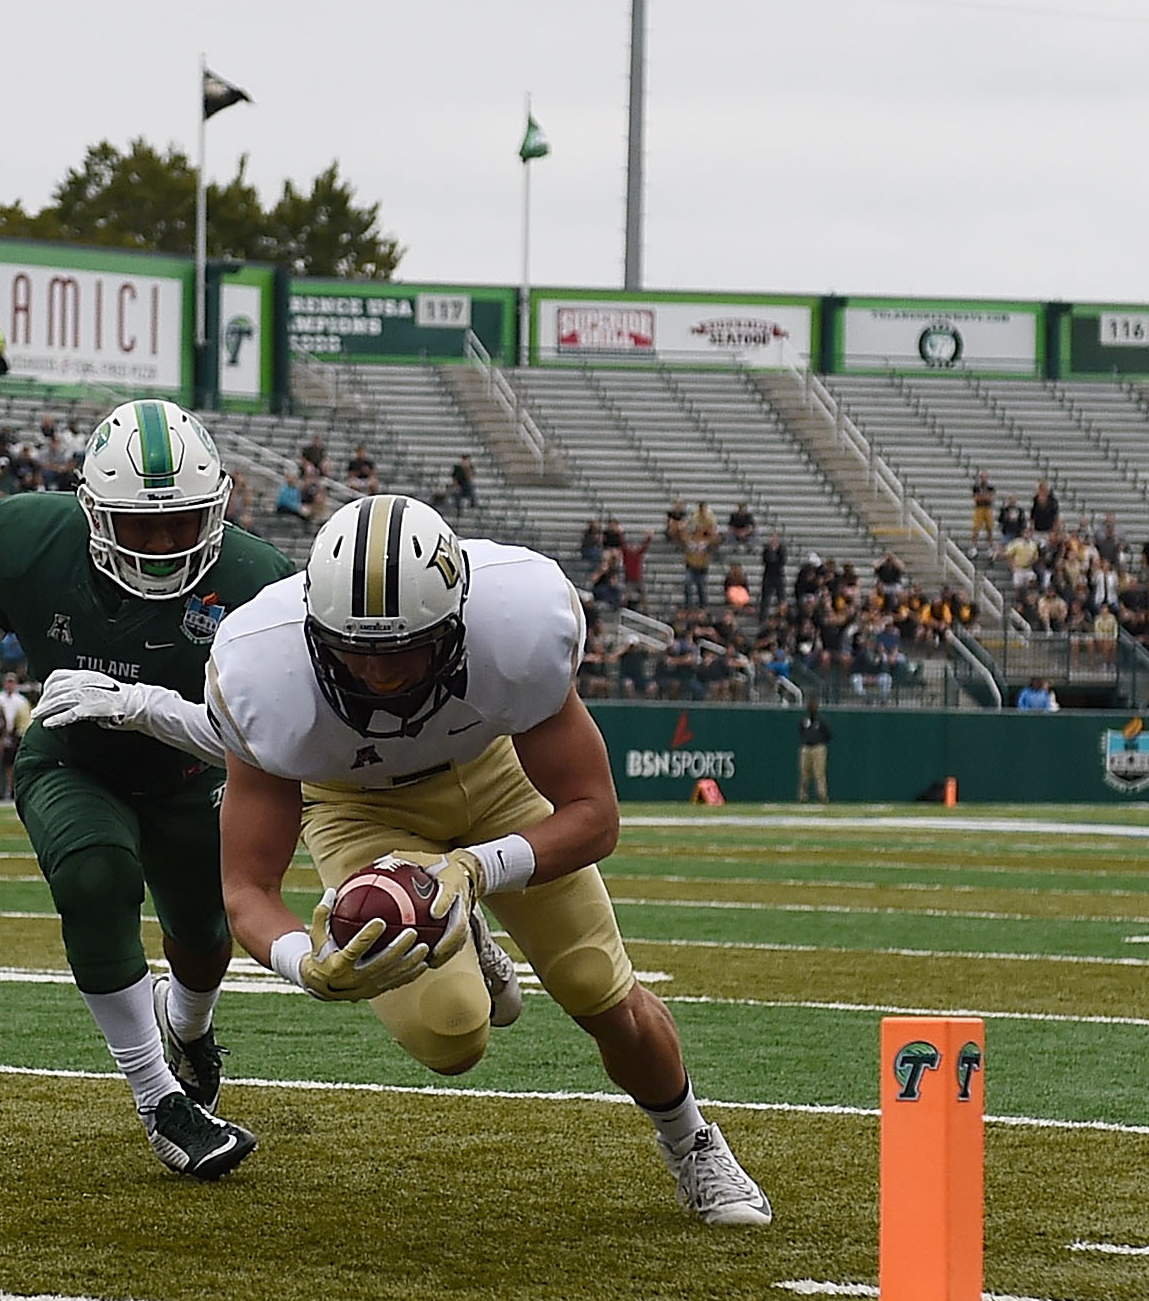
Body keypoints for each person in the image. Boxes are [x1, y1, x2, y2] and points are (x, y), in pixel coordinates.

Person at [55, 492, 773, 1226]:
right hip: (357, 806)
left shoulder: (518, 616)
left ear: (458, 620)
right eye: (356, 651)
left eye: (405, 649)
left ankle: (692, 1141)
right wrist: (304, 962)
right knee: (452, 1034)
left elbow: (594, 818)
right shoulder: (261, 669)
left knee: (597, 986)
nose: (383, 675)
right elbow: (246, 887)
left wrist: (475, 869)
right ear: (313, 631)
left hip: (497, 778)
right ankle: (466, 938)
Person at [0, 398, 294, 1182]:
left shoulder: (258, 584)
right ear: (92, 512)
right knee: (97, 878)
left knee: (204, 937)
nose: (160, 543)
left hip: (194, 775)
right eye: (139, 524)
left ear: (217, 506)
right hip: (72, 760)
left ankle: (188, 1031)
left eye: (181, 522)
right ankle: (161, 1101)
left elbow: (278, 740)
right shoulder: (33, 544)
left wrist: (143, 706)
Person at [797, 699, 832, 804]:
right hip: (806, 748)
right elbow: (801, 731)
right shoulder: (805, 720)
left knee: (819, 773)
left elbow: (829, 734)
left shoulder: (821, 720)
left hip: (818, 748)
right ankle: (803, 796)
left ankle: (822, 797)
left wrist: (819, 740)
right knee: (804, 774)